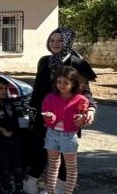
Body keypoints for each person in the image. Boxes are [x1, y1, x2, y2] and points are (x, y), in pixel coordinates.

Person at [24, 27, 97, 194]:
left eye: (60, 40)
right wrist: (33, 112)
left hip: (69, 116)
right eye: (52, 40)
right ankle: (31, 184)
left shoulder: (77, 62)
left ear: (67, 41)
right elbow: (37, 89)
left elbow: (85, 90)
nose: (55, 44)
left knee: (65, 157)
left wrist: (90, 109)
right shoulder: (44, 60)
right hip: (44, 114)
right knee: (39, 149)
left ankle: (61, 189)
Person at [41, 66, 89, 194]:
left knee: (71, 168)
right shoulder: (50, 97)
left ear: (73, 83)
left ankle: (67, 192)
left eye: (66, 82)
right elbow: (48, 118)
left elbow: (83, 117)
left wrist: (82, 117)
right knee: (53, 166)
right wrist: (49, 117)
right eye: (59, 82)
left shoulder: (81, 99)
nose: (61, 85)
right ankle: (51, 191)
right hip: (51, 134)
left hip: (69, 136)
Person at [0, 76, 24, 194]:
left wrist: (13, 131)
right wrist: (1, 130)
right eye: (0, 88)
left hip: (14, 138)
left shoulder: (10, 102)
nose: (4, 91)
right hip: (0, 140)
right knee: (4, 165)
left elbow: (15, 119)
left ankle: (19, 186)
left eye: (5, 88)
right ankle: (7, 187)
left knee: (17, 164)